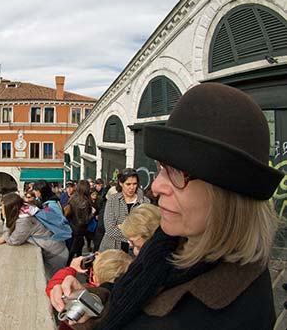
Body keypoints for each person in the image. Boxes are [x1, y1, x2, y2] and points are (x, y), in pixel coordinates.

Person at [50, 83, 283, 330]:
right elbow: (134, 287)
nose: (157, 186)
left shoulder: (223, 316)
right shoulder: (169, 245)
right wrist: (98, 296)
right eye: (161, 168)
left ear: (225, 194)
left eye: (177, 172)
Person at [46, 250, 132, 330]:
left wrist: (71, 268)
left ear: (96, 279)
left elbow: (53, 287)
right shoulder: (128, 302)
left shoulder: (86, 293)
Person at [0, 192, 68, 277]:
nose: (1, 209)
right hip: (57, 249)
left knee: (55, 281)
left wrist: (5, 220)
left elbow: (13, 240)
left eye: (3, 207)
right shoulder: (28, 210)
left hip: (55, 255)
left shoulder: (24, 221)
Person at [99, 168, 149, 252]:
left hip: (136, 251)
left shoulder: (145, 202)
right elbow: (109, 229)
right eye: (128, 184)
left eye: (134, 184)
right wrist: (133, 236)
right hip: (112, 248)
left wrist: (121, 226)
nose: (132, 187)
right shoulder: (113, 200)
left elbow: (145, 229)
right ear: (121, 183)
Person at [64, 180, 92, 264]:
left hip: (72, 225)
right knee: (74, 248)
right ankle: (68, 264)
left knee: (78, 246)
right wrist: (92, 213)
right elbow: (85, 220)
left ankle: (78, 263)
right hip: (80, 228)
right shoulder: (85, 201)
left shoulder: (73, 197)